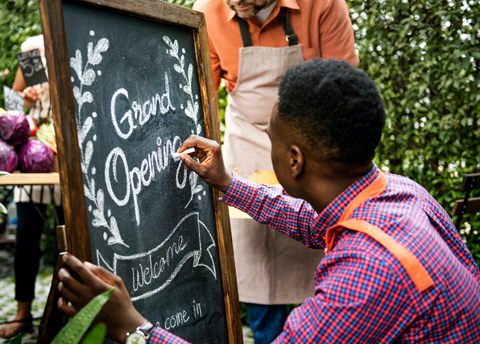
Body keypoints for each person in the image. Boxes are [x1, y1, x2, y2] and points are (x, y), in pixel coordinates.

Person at [57, 59, 480, 343]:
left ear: (294, 160)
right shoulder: (400, 193)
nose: (269, 148)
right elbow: (308, 219)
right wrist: (226, 181)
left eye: (270, 139)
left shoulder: (365, 275)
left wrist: (132, 326)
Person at [190, 0, 359, 340]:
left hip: (309, 140)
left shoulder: (323, 4)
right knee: (258, 258)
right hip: (248, 142)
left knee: (320, 242)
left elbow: (344, 87)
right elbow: (200, 90)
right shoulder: (207, 10)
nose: (235, 1)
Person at [0, 35, 63, 339]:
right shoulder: (34, 48)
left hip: (70, 155)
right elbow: (12, 102)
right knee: (26, 233)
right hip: (34, 152)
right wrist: (25, 99)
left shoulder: (81, 33)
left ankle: (70, 310)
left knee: (70, 235)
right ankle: (23, 313)